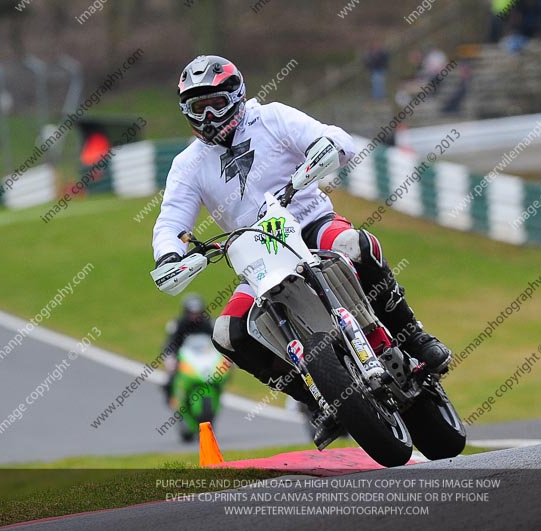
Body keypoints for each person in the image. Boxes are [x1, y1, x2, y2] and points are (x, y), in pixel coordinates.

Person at [152, 55, 452, 445]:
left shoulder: (272, 118)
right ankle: (317, 399)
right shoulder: (187, 165)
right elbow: (171, 220)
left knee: (355, 244)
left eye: (216, 104)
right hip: (257, 260)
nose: (209, 117)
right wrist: (169, 254)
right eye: (198, 108)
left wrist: (322, 153)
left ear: (237, 96)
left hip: (311, 224)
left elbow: (336, 139)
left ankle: (411, 335)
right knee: (228, 333)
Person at [161, 294, 214, 402]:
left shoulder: (209, 324)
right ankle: (171, 396)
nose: (194, 316)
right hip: (183, 357)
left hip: (205, 356)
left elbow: (219, 340)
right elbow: (170, 342)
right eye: (191, 313)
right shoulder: (178, 324)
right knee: (171, 376)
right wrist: (171, 357)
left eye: (197, 313)